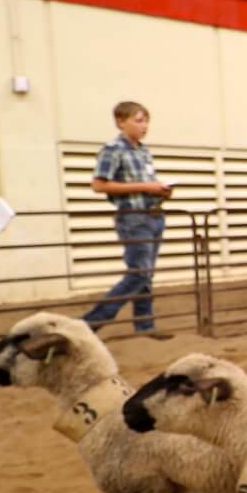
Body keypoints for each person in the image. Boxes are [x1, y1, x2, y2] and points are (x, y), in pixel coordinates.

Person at [81, 102, 173, 338]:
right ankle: (90, 322)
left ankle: (144, 324)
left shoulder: (143, 151)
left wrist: (159, 190)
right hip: (132, 217)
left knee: (146, 272)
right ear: (121, 121)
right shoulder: (113, 149)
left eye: (146, 121)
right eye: (139, 120)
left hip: (152, 214)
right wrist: (146, 186)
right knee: (139, 272)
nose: (144, 126)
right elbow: (99, 184)